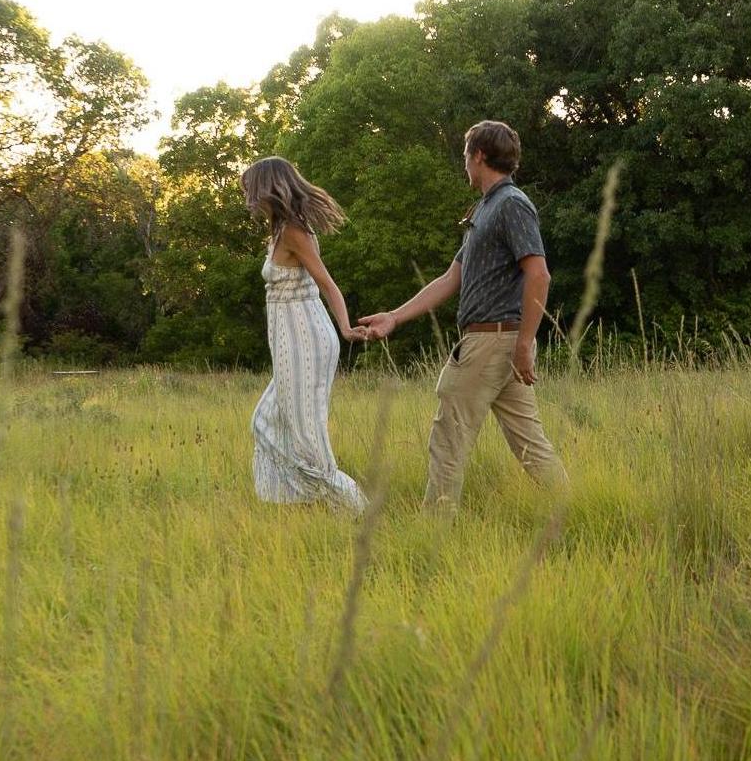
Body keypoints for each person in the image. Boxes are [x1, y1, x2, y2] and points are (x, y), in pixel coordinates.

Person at [359, 120, 568, 506]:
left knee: (448, 440)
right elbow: (450, 278)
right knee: (530, 445)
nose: (463, 164)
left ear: (480, 156)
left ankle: (432, 535)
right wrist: (394, 317)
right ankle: (570, 511)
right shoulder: (486, 209)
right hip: (498, 345)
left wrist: (524, 342)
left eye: (465, 155)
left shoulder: (511, 204)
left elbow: (539, 274)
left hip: (492, 342)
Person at [241, 156, 368, 513]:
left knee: (305, 433)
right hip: (291, 341)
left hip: (305, 340)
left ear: (269, 188)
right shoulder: (280, 229)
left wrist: (345, 328)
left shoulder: (295, 231)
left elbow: (327, 283)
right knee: (266, 420)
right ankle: (302, 504)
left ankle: (353, 508)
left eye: (251, 190)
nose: (248, 199)